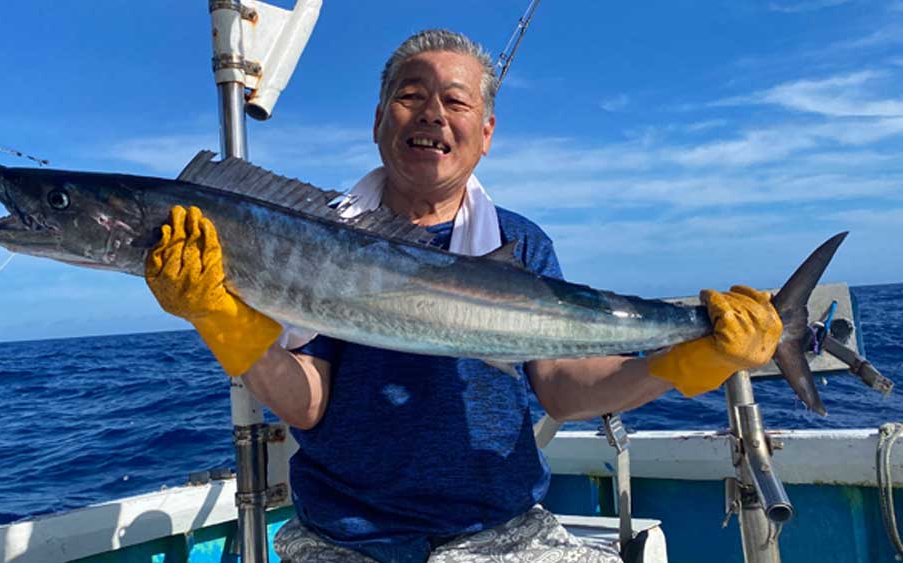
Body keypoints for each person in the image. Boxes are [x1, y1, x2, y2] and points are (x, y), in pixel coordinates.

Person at [144, 30, 782, 563]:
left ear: (486, 133)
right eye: (410, 96)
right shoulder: (316, 239)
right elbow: (307, 403)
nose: (431, 114)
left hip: (503, 531)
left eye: (455, 101)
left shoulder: (519, 242)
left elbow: (561, 385)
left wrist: (679, 362)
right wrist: (220, 317)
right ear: (377, 121)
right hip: (344, 537)